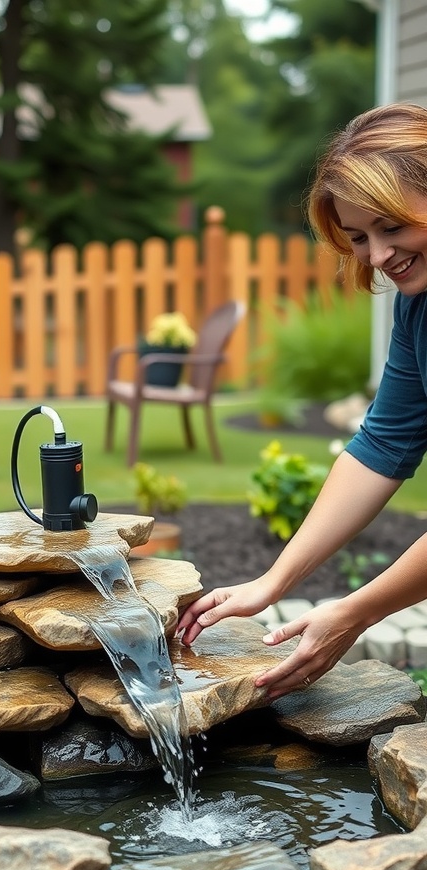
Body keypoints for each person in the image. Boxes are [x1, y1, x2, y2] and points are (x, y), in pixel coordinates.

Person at [177, 102, 427, 700]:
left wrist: (356, 612)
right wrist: (274, 579)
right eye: (361, 237)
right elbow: (383, 445)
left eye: (392, 228)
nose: (378, 257)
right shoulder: (417, 305)